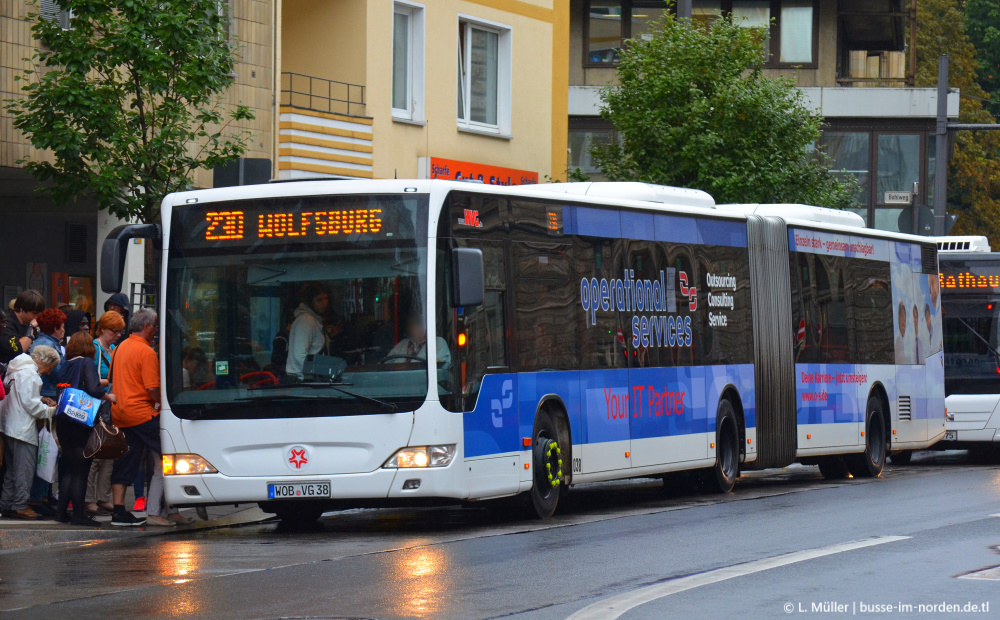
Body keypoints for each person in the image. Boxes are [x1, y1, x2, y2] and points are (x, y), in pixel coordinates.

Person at [108, 308, 192, 526]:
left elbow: (111, 379)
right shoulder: (146, 352)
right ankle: (162, 510)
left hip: (120, 414)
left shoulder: (118, 349)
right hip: (143, 414)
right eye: (154, 326)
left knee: (126, 461)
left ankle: (118, 510)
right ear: (146, 327)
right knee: (172, 456)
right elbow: (152, 388)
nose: (156, 331)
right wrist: (163, 404)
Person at [57, 333, 116, 526]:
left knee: (69, 468)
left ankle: (62, 512)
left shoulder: (66, 364)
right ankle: (79, 515)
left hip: (63, 419)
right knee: (82, 468)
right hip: (80, 420)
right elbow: (93, 389)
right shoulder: (86, 363)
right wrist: (108, 397)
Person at [0, 346, 59, 520]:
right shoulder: (31, 374)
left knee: (12, 469)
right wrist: (50, 411)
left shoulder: (16, 370)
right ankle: (20, 505)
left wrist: (40, 399)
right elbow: (30, 405)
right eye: (50, 367)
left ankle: (7, 503)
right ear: (46, 362)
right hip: (22, 429)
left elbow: (20, 396)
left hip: (8, 425)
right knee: (24, 469)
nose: (48, 372)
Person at [27, 308, 66, 517]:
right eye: (62, 327)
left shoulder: (43, 342)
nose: (63, 331)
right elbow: (58, 373)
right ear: (56, 328)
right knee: (48, 451)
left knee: (47, 450)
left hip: (48, 397)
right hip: (48, 398)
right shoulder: (48, 346)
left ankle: (43, 495)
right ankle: (39, 497)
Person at [85, 311, 125, 516]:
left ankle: (103, 497)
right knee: (95, 452)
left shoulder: (116, 349)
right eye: (114, 330)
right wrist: (111, 383)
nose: (118, 334)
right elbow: (89, 381)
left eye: (120, 331)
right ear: (102, 329)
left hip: (113, 407)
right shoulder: (95, 348)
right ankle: (89, 498)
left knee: (111, 452)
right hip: (99, 406)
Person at [285, 284, 330, 382]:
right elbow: (300, 355)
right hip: (304, 380)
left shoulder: (314, 320)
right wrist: (318, 372)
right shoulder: (306, 321)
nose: (324, 303)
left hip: (310, 378)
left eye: (326, 299)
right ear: (310, 302)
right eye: (319, 300)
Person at [0, 290, 44, 368]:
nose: (37, 317)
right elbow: (18, 350)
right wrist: (31, 327)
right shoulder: (7, 325)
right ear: (22, 310)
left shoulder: (28, 323)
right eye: (34, 313)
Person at [387, 314, 452, 366]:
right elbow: (386, 363)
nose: (409, 328)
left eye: (413, 324)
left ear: (423, 326)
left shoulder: (437, 342)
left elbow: (437, 367)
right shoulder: (403, 344)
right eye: (409, 325)